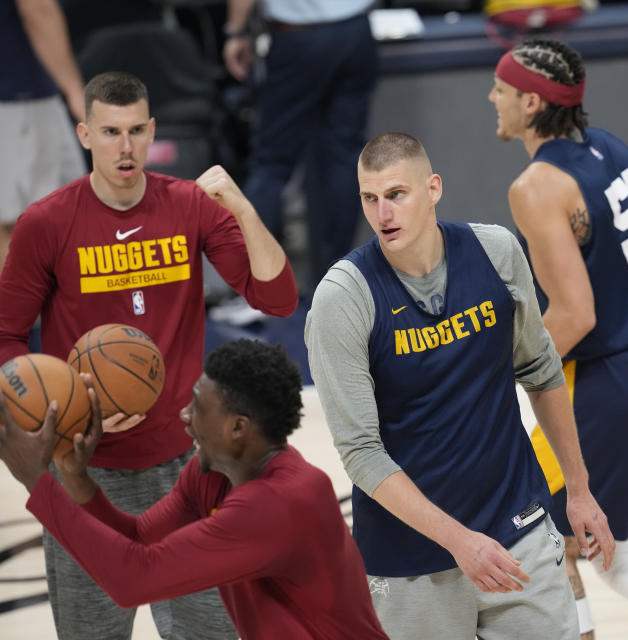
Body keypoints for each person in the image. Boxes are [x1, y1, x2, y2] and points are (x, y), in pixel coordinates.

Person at [0, 71, 299, 640]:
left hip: (188, 463)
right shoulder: (47, 222)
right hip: (83, 467)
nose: (125, 146)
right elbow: (6, 336)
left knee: (211, 632)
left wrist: (242, 207)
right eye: (110, 131)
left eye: (137, 130)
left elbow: (278, 298)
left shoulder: (189, 205)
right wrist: (51, 412)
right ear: (84, 133)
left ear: (153, 130)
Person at [305, 131, 615, 640]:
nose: (383, 214)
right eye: (369, 198)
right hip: (410, 561)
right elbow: (361, 454)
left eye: (396, 195)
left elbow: (540, 370)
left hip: (517, 530)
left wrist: (579, 490)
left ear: (433, 188)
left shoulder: (495, 251)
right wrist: (459, 541)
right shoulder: (344, 298)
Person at [488, 38, 628, 640]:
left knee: (537, 533)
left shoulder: (535, 186)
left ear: (530, 104)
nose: (492, 98)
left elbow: (575, 315)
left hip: (608, 377)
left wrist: (491, 378)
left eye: (501, 90)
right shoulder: (611, 145)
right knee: (620, 550)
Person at [0, 339, 390, 640]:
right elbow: (137, 539)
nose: (185, 416)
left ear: (237, 428)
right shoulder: (210, 475)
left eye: (198, 407)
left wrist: (36, 480)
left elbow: (133, 581)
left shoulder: (283, 502)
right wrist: (75, 476)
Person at [222, 0, 378, 290]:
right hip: (357, 30)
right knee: (343, 157)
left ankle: (256, 287)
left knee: (271, 163)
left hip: (300, 36)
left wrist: (236, 31)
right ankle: (335, 285)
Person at [1, 0, 86, 271]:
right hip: (17, 91)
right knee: (19, 226)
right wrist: (75, 90)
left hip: (19, 92)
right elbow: (37, 8)